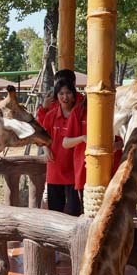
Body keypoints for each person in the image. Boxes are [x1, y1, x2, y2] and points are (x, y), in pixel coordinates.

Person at [36, 72, 84, 216]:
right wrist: (45, 147)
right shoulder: (51, 110)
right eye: (61, 92)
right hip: (55, 167)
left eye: (68, 92)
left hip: (76, 167)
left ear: (74, 89)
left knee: (75, 210)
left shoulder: (82, 108)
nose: (65, 96)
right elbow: (40, 133)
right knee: (55, 210)